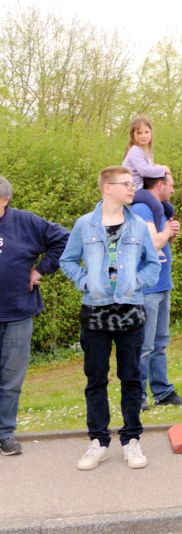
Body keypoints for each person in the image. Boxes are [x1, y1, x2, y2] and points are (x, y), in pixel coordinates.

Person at [60, 166, 161, 470]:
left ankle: (131, 440)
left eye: (132, 183)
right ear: (107, 188)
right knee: (96, 379)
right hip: (95, 311)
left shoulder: (138, 225)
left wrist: (136, 282)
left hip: (130, 310)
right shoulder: (84, 225)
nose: (132, 189)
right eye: (126, 184)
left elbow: (153, 264)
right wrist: (86, 282)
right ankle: (98, 441)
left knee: (131, 377)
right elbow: (67, 260)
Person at [0, 175, 69, 456]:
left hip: (17, 313)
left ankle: (5, 433)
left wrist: (40, 270)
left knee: (11, 379)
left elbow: (64, 240)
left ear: (4, 200)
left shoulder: (25, 222)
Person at [130, 175, 182, 411]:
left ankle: (162, 392)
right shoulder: (141, 209)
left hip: (163, 284)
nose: (173, 190)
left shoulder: (159, 210)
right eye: (171, 185)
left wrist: (170, 233)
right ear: (160, 185)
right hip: (147, 288)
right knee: (144, 346)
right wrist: (166, 232)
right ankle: (137, 396)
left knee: (160, 343)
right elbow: (151, 245)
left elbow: (163, 243)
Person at [121, 117, 174, 226]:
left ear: (151, 133)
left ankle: (169, 227)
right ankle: (156, 233)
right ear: (133, 135)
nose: (144, 136)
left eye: (146, 132)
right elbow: (144, 170)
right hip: (134, 189)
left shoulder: (146, 151)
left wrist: (158, 167)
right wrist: (163, 169)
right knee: (158, 207)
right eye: (139, 133)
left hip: (142, 187)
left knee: (169, 209)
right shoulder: (135, 150)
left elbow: (149, 167)